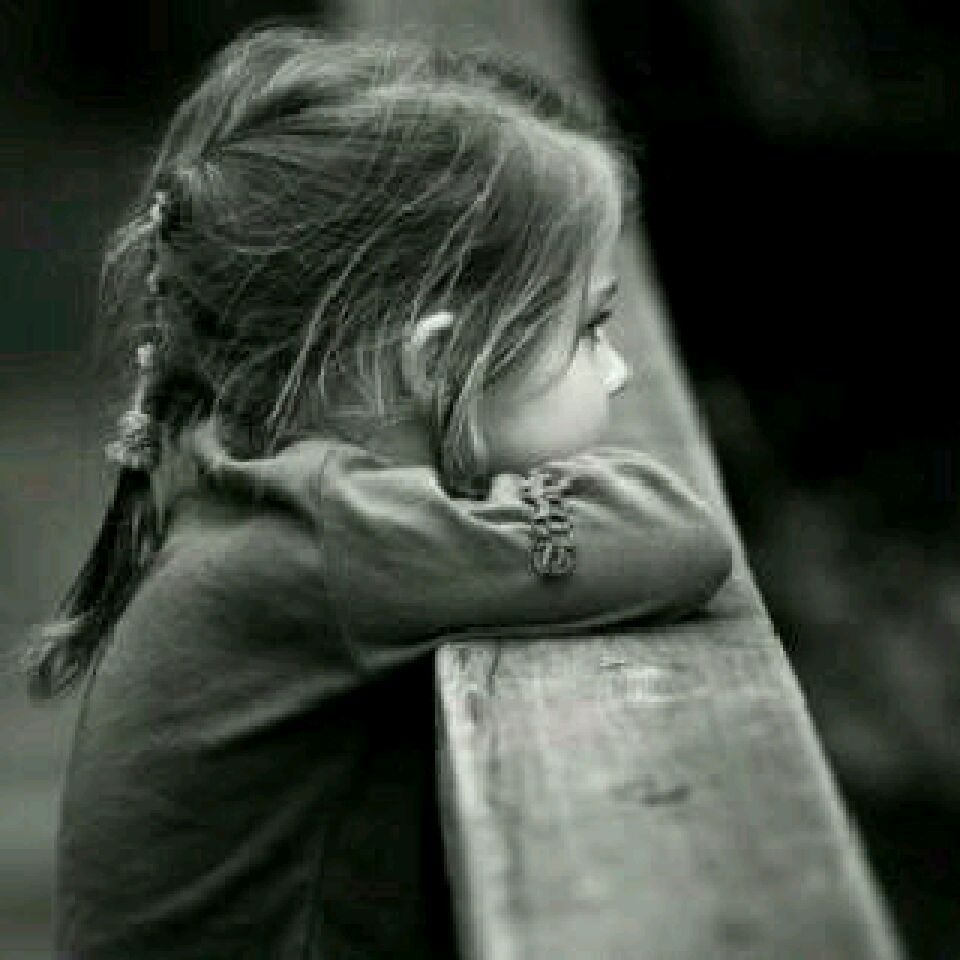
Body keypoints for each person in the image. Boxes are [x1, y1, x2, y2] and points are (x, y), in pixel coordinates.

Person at [26, 22, 733, 959]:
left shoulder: (246, 485)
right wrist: (530, 499)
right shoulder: (330, 539)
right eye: (588, 331)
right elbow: (675, 532)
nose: (617, 372)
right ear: (438, 361)